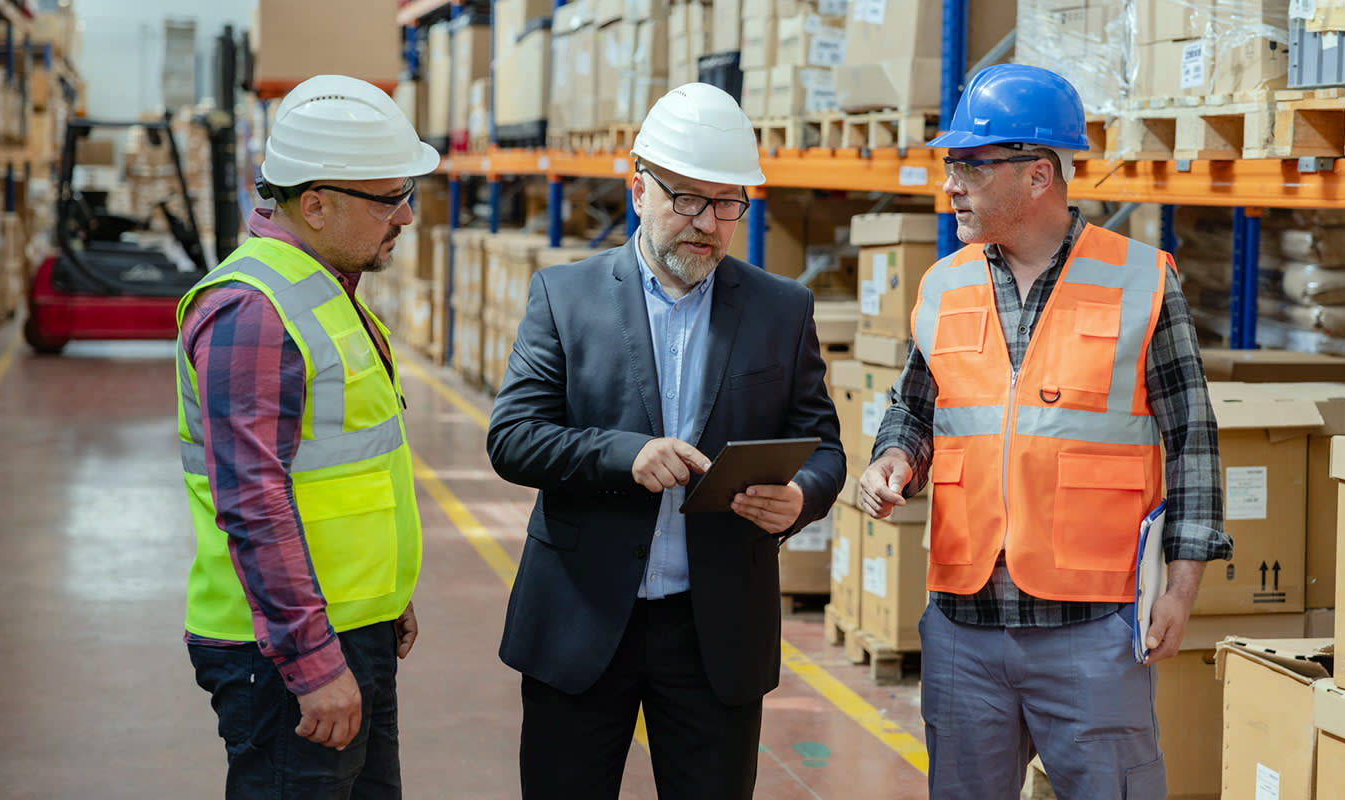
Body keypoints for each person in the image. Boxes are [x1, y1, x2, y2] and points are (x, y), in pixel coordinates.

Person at [857, 64, 1233, 800]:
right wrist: (891, 458)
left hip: (1091, 630)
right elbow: (913, 408)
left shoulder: (1140, 281)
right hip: (963, 625)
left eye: (970, 165)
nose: (951, 185)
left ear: (1037, 176)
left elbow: (1194, 441)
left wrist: (1181, 590)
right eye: (949, 165)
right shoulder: (943, 286)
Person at [486, 82, 846, 799]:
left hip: (713, 631)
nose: (706, 223)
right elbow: (514, 438)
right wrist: (625, 454)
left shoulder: (780, 309)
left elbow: (823, 446)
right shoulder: (566, 297)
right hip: (582, 623)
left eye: (725, 204)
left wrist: (800, 496)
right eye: (685, 199)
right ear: (637, 186)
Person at [176, 74, 438, 798]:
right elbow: (254, 502)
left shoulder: (326, 288)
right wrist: (313, 660)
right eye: (390, 199)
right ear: (314, 204)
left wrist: (385, 595)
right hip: (283, 651)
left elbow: (345, 473)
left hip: (348, 624)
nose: (407, 217)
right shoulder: (253, 312)